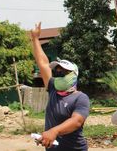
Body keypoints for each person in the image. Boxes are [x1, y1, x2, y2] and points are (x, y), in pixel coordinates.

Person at [30, 22, 90, 150]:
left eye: (64, 71)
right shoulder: (53, 88)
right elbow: (43, 64)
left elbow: (77, 121)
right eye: (57, 70)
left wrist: (54, 131)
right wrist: (35, 39)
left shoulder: (80, 98)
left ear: (74, 75)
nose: (59, 73)